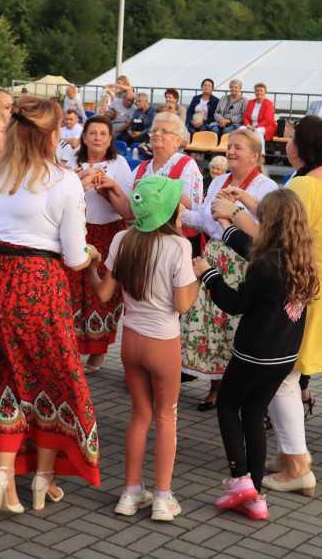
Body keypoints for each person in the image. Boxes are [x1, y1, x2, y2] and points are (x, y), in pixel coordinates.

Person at [0, 96, 102, 514]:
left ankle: (4, 475)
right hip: (33, 284)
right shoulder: (63, 180)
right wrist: (93, 258)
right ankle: (38, 479)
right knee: (54, 379)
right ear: (49, 135)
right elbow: (72, 256)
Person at [215, 116, 322, 496]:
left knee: (283, 378)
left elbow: (271, 237)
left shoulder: (303, 184)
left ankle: (298, 465)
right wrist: (249, 201)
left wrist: (232, 217)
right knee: (289, 375)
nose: (288, 145)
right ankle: (288, 454)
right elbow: (287, 218)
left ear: (305, 147)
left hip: (306, 292)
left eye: (294, 139)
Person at [198, 188, 319, 520]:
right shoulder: (301, 257)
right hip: (283, 358)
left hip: (253, 355)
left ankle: (239, 479)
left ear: (270, 224)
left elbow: (235, 304)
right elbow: (250, 247)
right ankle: (255, 495)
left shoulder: (266, 264)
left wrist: (207, 273)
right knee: (252, 413)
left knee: (227, 405)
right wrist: (227, 227)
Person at [87, 175, 200, 521]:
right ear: (168, 212)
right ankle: (163, 498)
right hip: (162, 343)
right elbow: (182, 305)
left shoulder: (122, 238)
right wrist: (196, 276)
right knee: (166, 417)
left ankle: (130, 492)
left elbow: (104, 294)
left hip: (131, 341)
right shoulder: (179, 246)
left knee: (140, 415)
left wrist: (93, 264)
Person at [181, 128, 277, 409]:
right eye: (230, 146)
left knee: (235, 325)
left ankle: (240, 389)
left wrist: (231, 215)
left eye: (239, 148)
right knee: (213, 323)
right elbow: (202, 220)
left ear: (256, 156)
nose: (231, 151)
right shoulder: (219, 180)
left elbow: (265, 233)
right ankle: (216, 386)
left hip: (243, 260)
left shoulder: (266, 188)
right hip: (214, 255)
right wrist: (176, 211)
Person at [67, 115, 134, 374]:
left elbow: (126, 208)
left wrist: (108, 188)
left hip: (108, 233)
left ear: (110, 139)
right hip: (76, 233)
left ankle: (97, 355)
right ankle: (71, 350)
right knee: (72, 292)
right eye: (92, 133)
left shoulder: (119, 164)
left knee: (102, 295)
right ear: (84, 137)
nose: (97, 138)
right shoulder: (72, 160)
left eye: (103, 134)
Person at [132, 112, 205, 255]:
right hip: (145, 240)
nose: (157, 134)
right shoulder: (142, 167)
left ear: (178, 140)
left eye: (164, 131)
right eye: (154, 130)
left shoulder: (187, 164)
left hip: (177, 243)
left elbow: (193, 207)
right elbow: (128, 209)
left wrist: (165, 188)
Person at [243, 83, 276, 147]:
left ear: (265, 93)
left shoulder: (269, 103)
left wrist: (255, 127)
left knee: (258, 131)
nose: (259, 92)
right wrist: (248, 125)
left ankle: (261, 154)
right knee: (241, 129)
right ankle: (243, 150)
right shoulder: (250, 102)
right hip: (251, 125)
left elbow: (268, 119)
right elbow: (245, 117)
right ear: (254, 92)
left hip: (266, 126)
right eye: (257, 90)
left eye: (261, 91)